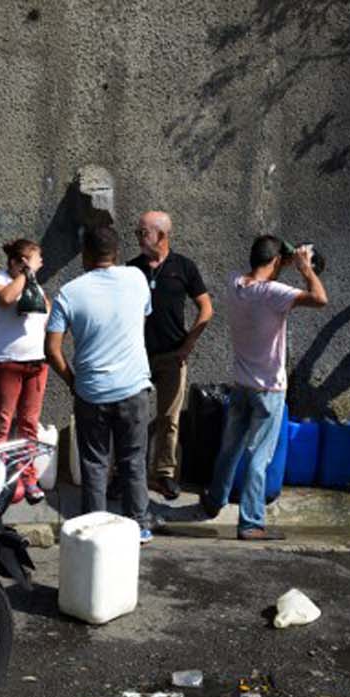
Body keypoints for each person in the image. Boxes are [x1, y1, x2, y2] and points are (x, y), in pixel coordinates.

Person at [200, 237, 328, 540]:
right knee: (260, 456)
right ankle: (251, 522)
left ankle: (215, 499)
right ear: (274, 263)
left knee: (230, 448)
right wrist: (306, 269)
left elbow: (261, 275)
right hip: (269, 389)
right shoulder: (274, 293)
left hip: (242, 385)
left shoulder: (235, 283)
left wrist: (281, 261)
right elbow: (320, 298)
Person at [44, 224, 155, 543]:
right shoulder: (137, 279)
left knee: (94, 463)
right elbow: (141, 319)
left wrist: (72, 381)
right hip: (133, 388)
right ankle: (139, 526)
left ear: (86, 255)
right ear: (116, 253)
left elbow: (51, 349)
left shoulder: (70, 292)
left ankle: (95, 529)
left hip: (91, 392)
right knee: (133, 460)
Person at [128, 211, 214, 501]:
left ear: (162, 236)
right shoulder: (132, 269)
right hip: (137, 356)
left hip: (171, 356)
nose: (139, 238)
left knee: (169, 418)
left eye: (144, 233)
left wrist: (188, 346)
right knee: (131, 417)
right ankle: (125, 473)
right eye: (137, 233)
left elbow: (206, 308)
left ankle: (164, 474)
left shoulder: (184, 267)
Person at [0, 237, 50, 503]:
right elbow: (6, 299)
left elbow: (46, 310)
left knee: (29, 425)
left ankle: (29, 477)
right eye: (35, 260)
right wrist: (26, 273)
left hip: (36, 364)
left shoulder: (32, 284)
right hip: (6, 363)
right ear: (17, 263)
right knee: (2, 424)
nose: (40, 264)